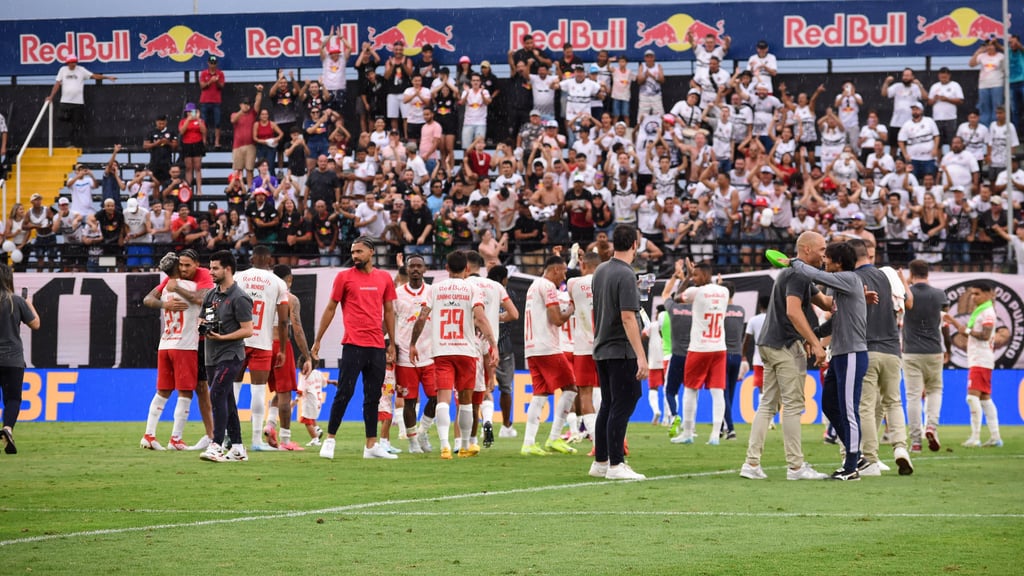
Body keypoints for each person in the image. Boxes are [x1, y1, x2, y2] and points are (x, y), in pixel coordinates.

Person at [742, 231, 831, 481]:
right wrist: (815, 342)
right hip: (784, 345)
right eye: (822, 249)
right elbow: (793, 312)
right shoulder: (798, 274)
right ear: (806, 250)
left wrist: (852, 295)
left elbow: (825, 303)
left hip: (769, 344)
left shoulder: (799, 273)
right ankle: (795, 467)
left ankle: (751, 463)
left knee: (768, 403)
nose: (825, 253)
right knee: (793, 405)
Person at [786, 241, 869, 481]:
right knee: (830, 405)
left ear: (839, 262)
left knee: (849, 410)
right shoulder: (841, 286)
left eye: (828, 257)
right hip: (841, 353)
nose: (825, 261)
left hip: (853, 353)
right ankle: (857, 456)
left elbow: (813, 273)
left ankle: (852, 465)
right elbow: (837, 321)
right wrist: (816, 335)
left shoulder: (849, 279)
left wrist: (793, 262)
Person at [312, 236, 398, 460]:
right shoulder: (344, 277)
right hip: (353, 345)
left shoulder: (384, 278)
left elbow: (389, 311)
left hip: (377, 346)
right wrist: (318, 339)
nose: (355, 256)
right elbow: (330, 309)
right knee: (344, 393)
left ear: (371, 252)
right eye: (353, 252)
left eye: (359, 252)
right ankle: (330, 440)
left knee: (373, 397)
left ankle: (371, 445)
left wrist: (392, 344)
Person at [409, 251, 498, 459]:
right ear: (467, 269)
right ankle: (465, 445)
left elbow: (422, 317)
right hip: (466, 350)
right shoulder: (472, 288)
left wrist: (413, 343)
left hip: (442, 350)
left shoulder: (435, 289)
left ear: (446, 268)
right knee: (466, 400)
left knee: (443, 398)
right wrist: (493, 344)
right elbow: (481, 318)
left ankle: (445, 445)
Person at [849, 238, 913, 476]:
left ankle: (871, 459)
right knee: (893, 402)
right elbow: (906, 304)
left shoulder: (853, 279)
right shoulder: (888, 277)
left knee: (866, 406)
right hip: (893, 350)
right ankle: (900, 448)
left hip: (867, 348)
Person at [589, 224, 648, 480]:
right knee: (625, 401)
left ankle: (600, 461)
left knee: (609, 404)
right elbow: (627, 317)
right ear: (635, 244)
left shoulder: (600, 270)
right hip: (620, 349)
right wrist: (641, 356)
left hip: (602, 346)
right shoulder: (625, 274)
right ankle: (616, 464)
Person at [140, 252, 210, 451]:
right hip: (185, 346)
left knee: (162, 391)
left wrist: (165, 303)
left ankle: (149, 434)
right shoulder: (189, 286)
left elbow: (148, 299)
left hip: (166, 343)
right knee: (186, 391)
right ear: (178, 267)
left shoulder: (165, 290)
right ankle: (176, 439)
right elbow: (202, 299)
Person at [198, 250, 255, 462]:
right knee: (227, 400)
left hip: (231, 354)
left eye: (215, 268)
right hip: (211, 355)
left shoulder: (239, 297)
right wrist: (202, 325)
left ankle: (217, 444)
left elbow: (248, 330)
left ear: (227, 269)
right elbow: (202, 319)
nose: (210, 272)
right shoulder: (211, 295)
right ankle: (238, 448)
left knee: (217, 395)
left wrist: (224, 337)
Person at [234, 245, 290, 451]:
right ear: (269, 259)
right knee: (258, 391)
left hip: (238, 340)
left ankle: (226, 437)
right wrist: (282, 349)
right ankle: (256, 441)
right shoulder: (278, 283)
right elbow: (283, 321)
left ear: (252, 257)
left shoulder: (238, 277)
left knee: (234, 388)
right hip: (262, 342)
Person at [521, 255, 579, 456]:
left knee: (540, 393)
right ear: (555, 270)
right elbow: (556, 319)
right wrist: (571, 308)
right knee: (571, 387)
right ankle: (554, 438)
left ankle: (528, 443)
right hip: (547, 347)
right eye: (563, 271)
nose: (564, 276)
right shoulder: (547, 287)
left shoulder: (533, 286)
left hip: (531, 347)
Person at [465, 251, 518, 449]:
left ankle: (470, 438)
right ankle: (489, 420)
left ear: (466, 267)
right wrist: (496, 318)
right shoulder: (496, 286)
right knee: (489, 387)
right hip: (493, 344)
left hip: (471, 342)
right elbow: (514, 314)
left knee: (469, 391)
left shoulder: (466, 285)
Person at [674, 261, 729, 446]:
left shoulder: (694, 292)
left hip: (699, 347)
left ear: (704, 275)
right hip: (719, 347)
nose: (694, 278)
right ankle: (715, 434)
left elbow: (675, 298)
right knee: (717, 391)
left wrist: (687, 277)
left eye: (696, 275)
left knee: (690, 389)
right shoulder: (724, 291)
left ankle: (688, 433)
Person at [944, 281, 1002, 448]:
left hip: (981, 359)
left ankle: (975, 437)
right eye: (972, 294)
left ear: (988, 293)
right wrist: (955, 323)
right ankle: (995, 437)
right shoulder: (981, 311)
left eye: (977, 294)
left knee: (971, 397)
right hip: (980, 359)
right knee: (985, 399)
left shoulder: (988, 313)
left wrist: (964, 329)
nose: (974, 297)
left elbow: (985, 335)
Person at [263, 264, 313, 451]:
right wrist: (307, 356)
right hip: (280, 345)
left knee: (271, 391)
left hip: (262, 345)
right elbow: (297, 329)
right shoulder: (290, 299)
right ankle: (285, 440)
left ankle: (269, 425)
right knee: (285, 394)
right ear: (289, 279)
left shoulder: (263, 296)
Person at [902, 259, 948, 453]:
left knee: (913, 396)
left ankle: (915, 441)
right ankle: (931, 426)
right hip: (934, 350)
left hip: (911, 351)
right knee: (935, 390)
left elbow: (901, 302)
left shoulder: (907, 294)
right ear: (927, 272)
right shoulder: (939, 294)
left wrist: (904, 282)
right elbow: (943, 319)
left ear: (911, 274)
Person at [394, 254, 436, 453]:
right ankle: (412, 442)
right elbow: (389, 321)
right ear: (407, 269)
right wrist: (389, 345)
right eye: (413, 266)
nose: (416, 269)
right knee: (409, 401)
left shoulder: (432, 292)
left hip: (430, 354)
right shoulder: (397, 294)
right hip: (404, 355)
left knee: (436, 397)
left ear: (425, 269)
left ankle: (423, 431)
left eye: (419, 266)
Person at [0, 264, 40, 455]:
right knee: (13, 399)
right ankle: (7, 428)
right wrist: (28, 303)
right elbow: (36, 324)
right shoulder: (16, 301)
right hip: (13, 359)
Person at [45, 54, 117, 147]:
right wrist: (51, 96)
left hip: (78, 103)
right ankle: (63, 138)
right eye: (71, 62)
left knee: (76, 125)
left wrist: (107, 77)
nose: (73, 64)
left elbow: (94, 76)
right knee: (61, 118)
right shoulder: (63, 70)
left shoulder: (81, 70)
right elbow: (57, 84)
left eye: (75, 62)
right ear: (68, 63)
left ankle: (71, 143)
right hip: (65, 101)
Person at [567, 251, 601, 443]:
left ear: (583, 265)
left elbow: (570, 292)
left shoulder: (574, 284)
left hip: (582, 347)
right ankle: (612, 439)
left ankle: (597, 443)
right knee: (606, 393)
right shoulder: (606, 282)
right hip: (604, 345)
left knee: (585, 395)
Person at [721, 282, 746, 440]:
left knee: (722, 394)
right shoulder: (741, 310)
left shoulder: (720, 311)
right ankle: (722, 426)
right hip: (736, 355)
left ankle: (730, 429)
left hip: (722, 355)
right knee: (729, 395)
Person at [969, 39, 1005, 127]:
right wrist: (979, 51)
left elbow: (1005, 68)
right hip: (983, 86)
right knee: (984, 109)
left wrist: (999, 45)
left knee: (997, 108)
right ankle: (985, 128)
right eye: (988, 45)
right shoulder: (982, 56)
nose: (989, 47)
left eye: (991, 45)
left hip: (997, 85)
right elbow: (971, 64)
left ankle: (996, 128)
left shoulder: (1001, 56)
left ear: (995, 46)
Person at [927, 67, 965, 147]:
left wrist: (947, 99)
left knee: (952, 141)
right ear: (938, 76)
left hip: (950, 118)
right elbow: (929, 102)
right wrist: (935, 99)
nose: (943, 79)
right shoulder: (934, 86)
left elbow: (960, 101)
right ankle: (939, 159)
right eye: (941, 77)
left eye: (945, 77)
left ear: (949, 76)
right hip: (937, 118)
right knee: (938, 143)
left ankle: (951, 157)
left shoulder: (955, 85)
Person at [178, 103, 208, 197]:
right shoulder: (183, 121)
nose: (190, 113)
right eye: (188, 112)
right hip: (187, 144)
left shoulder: (200, 121)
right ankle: (188, 188)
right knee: (189, 168)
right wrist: (188, 120)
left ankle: (199, 189)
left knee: (197, 167)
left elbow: (204, 131)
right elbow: (182, 131)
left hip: (197, 144)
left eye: (192, 112)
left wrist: (198, 119)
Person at [199, 56, 226, 149]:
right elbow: (202, 86)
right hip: (205, 101)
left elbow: (222, 87)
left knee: (217, 122)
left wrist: (217, 81)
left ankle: (216, 142)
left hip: (216, 101)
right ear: (208, 63)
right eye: (211, 63)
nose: (213, 65)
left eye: (214, 63)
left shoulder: (220, 74)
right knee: (204, 122)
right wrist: (210, 81)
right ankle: (204, 140)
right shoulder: (203, 73)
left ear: (216, 64)